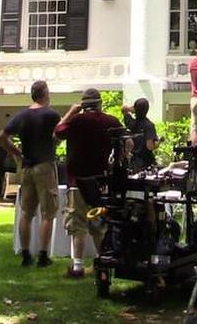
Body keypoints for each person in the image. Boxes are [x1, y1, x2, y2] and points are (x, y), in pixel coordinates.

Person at [53, 88, 123, 279]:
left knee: (78, 225)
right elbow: (127, 143)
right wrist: (115, 160)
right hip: (100, 181)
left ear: (83, 105)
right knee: (99, 224)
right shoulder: (111, 121)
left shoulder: (76, 121)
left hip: (77, 180)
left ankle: (77, 267)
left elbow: (58, 132)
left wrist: (71, 112)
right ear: (100, 103)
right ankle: (103, 262)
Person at [0, 80, 61, 268]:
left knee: (26, 213)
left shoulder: (21, 116)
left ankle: (25, 255)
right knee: (48, 213)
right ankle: (42, 256)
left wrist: (16, 152)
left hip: (26, 167)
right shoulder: (51, 115)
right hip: (44, 166)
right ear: (44, 93)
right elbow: (59, 134)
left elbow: (2, 137)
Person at [121, 98, 159, 172]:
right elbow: (150, 146)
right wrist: (157, 144)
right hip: (145, 162)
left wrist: (131, 109)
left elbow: (123, 109)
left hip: (133, 161)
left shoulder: (130, 123)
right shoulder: (149, 125)